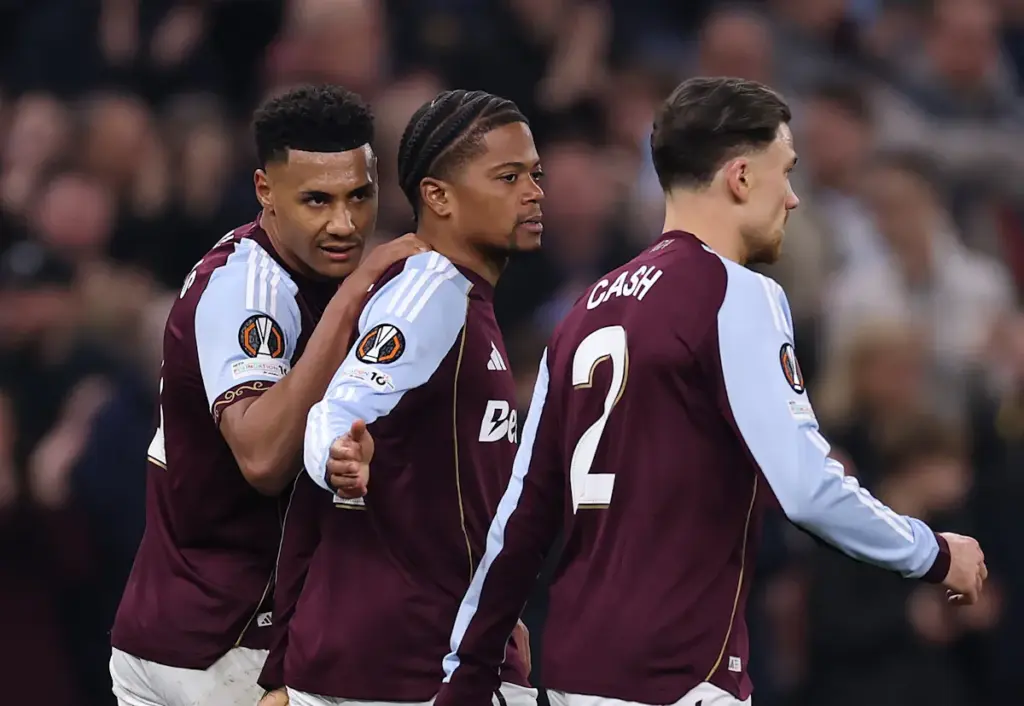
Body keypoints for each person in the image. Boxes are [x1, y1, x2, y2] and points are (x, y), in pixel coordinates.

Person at [433, 77, 989, 706]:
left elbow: (520, 518)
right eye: (786, 172)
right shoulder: (736, 293)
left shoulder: (584, 310)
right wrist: (934, 551)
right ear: (742, 177)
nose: (795, 198)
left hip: (571, 679)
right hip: (679, 678)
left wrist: (469, 670)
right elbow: (806, 487)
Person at [108, 84, 425, 706]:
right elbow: (262, 456)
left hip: (182, 633)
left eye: (360, 196)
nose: (344, 223)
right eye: (316, 200)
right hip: (226, 650)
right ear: (264, 192)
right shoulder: (252, 289)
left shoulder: (303, 275)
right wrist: (355, 297)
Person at [267, 89, 544, 706]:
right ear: (437, 196)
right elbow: (338, 410)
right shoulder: (431, 291)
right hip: (403, 668)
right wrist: (338, 455)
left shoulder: (466, 300)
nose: (533, 191)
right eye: (507, 177)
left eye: (534, 174)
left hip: (415, 650)